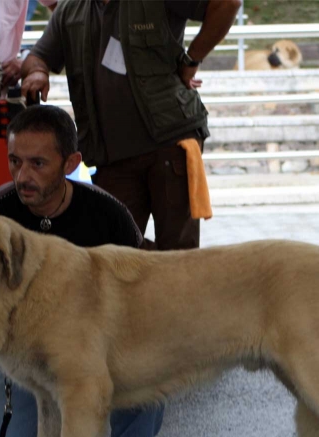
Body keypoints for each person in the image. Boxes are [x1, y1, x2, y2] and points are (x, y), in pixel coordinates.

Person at [0, 105, 179, 437]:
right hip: (22, 373)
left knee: (152, 360)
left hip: (102, 362)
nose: (23, 177)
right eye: (15, 162)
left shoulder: (109, 215)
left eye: (38, 163)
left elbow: (141, 302)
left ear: (71, 163)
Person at [21, 0, 241, 251]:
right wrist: (37, 71)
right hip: (111, 158)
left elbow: (227, 4)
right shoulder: (70, 9)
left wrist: (192, 59)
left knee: (179, 253)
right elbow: (38, 56)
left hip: (169, 144)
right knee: (113, 254)